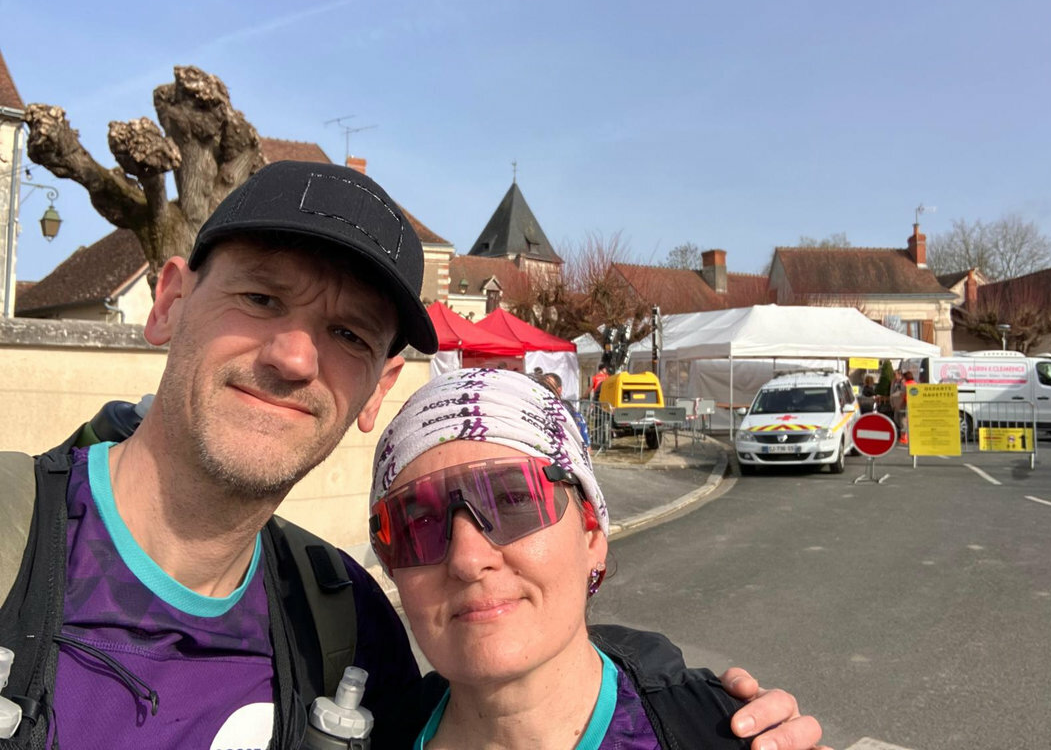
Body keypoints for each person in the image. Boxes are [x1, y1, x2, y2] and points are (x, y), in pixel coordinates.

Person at [1, 161, 822, 749]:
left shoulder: (347, 631)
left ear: (378, 387)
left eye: (348, 333)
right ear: (169, 302)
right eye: (260, 297)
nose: (295, 357)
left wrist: (687, 705)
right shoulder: (17, 542)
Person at [371, 368, 827, 750]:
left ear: (591, 533)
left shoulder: (715, 732)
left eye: (513, 500)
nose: (468, 559)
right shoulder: (372, 736)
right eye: (417, 523)